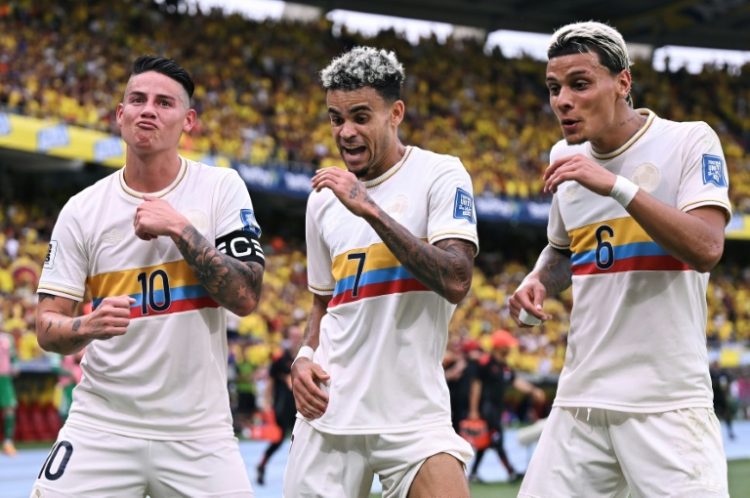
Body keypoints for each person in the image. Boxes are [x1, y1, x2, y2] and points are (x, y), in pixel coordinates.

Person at [508, 21, 731, 497]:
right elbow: (566, 250)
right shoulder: (562, 157)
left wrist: (616, 186)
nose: (563, 100)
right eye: (554, 88)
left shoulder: (689, 141)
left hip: (666, 404)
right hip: (581, 400)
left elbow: (708, 248)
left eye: (579, 84)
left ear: (623, 82)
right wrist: (539, 280)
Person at [33, 55, 265, 497]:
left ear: (188, 121)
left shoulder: (220, 188)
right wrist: (87, 326)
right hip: (104, 424)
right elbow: (47, 326)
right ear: (120, 115)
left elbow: (246, 296)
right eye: (137, 100)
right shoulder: (82, 210)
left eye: (164, 102)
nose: (148, 110)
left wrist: (180, 228)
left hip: (198, 431)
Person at [284, 46, 478, 498]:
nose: (346, 132)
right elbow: (322, 302)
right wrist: (304, 358)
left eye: (359, 116)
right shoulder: (321, 199)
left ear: (395, 113)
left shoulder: (440, 174)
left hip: (411, 413)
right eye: (336, 119)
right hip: (330, 409)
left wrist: (368, 208)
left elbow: (456, 279)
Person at [466, 329, 545, 483]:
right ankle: (511, 472)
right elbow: (476, 386)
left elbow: (516, 381)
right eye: (507, 346)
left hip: (496, 409)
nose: (509, 349)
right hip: (486, 409)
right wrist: (474, 410)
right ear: (500, 347)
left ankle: (474, 474)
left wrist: (533, 390)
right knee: (497, 440)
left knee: (487, 442)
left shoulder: (503, 367)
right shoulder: (485, 363)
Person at [255, 325, 301, 485]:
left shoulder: (305, 359)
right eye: (293, 336)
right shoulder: (280, 360)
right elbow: (270, 382)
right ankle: (262, 465)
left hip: (300, 407)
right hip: (282, 406)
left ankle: (299, 476)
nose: (296, 339)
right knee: (278, 439)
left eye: (298, 335)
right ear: (288, 338)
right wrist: (266, 403)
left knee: (301, 441)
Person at [0, 326, 19, 457]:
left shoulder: (7, 338)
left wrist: (15, 365)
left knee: (9, 408)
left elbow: (13, 356)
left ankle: (8, 443)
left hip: (4, 377)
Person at [710, 360, 737, 441]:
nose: (716, 367)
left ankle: (730, 431)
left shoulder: (723, 373)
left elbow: (731, 378)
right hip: (713, 398)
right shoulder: (710, 373)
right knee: (713, 416)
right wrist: (717, 383)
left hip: (722, 398)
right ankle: (713, 433)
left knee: (727, 415)